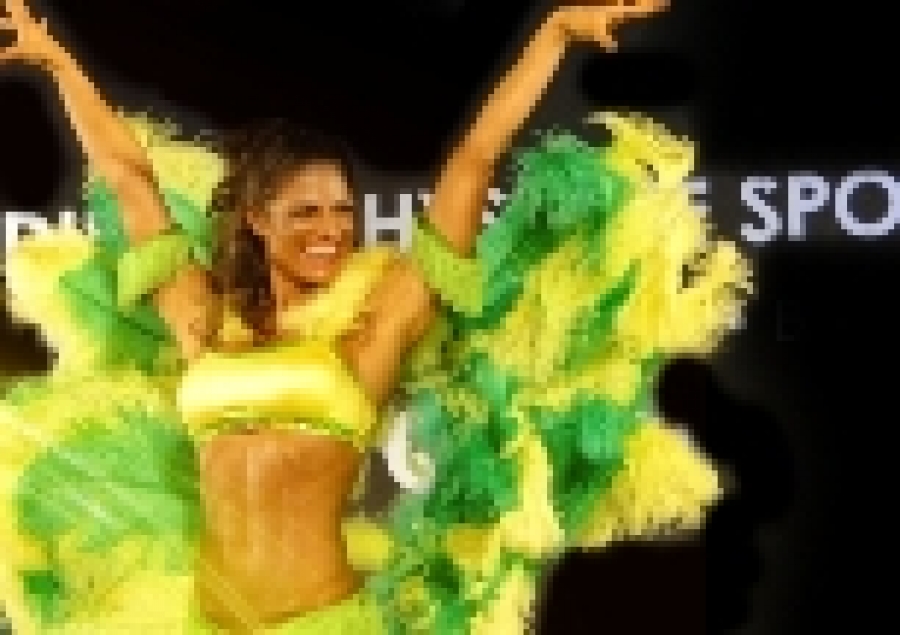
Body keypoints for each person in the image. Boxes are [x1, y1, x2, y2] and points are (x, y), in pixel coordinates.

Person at [0, 0, 751, 633]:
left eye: (341, 211)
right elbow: (128, 176)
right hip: (201, 619)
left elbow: (474, 159)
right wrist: (59, 63)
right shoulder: (204, 319)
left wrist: (551, 36)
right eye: (305, 212)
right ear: (257, 219)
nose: (330, 229)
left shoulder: (375, 327)